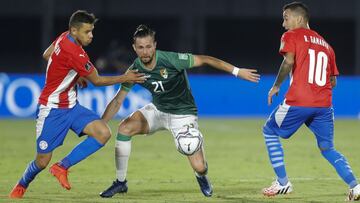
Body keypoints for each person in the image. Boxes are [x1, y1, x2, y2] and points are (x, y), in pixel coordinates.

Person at [98, 24, 260, 198]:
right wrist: (101, 124)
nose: (145, 52)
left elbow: (206, 59)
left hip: (183, 114)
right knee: (124, 128)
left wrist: (237, 71)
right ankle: (120, 183)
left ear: (154, 46)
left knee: (200, 166)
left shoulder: (171, 60)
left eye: (148, 47)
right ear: (134, 48)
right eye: (140, 47)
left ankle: (201, 175)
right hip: (158, 111)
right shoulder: (134, 70)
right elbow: (117, 100)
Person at [9, 10, 145, 199]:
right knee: (41, 161)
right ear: (74, 30)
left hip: (72, 106)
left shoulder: (64, 37)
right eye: (87, 32)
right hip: (52, 110)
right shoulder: (76, 53)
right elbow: (97, 81)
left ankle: (62, 166)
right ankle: (21, 185)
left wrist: (75, 75)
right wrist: (126, 77)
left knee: (103, 132)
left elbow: (46, 54)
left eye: (92, 31)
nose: (91, 36)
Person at [262, 2, 359, 201]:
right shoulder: (327, 45)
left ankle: (283, 183)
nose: (283, 23)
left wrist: (276, 86)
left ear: (299, 19)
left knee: (269, 131)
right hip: (324, 105)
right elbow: (333, 81)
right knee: (327, 148)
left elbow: (288, 61)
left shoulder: (291, 35)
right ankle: (356, 186)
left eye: (286, 18)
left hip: (299, 100)